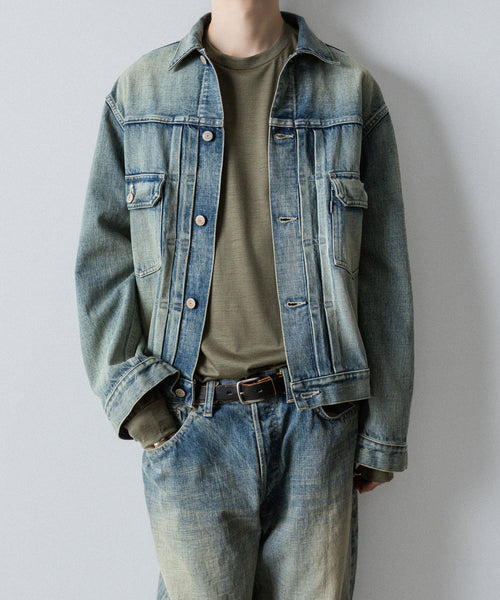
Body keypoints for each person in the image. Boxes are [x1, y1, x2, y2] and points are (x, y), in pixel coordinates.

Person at [75, 1, 414, 598]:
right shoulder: (143, 92)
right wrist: (141, 406)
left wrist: (381, 430)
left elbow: (383, 271)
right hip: (188, 422)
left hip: (319, 421)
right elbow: (103, 264)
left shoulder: (347, 91)